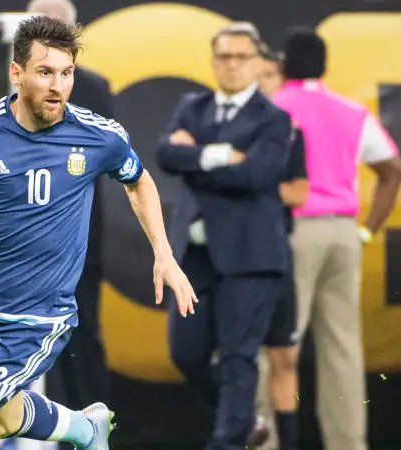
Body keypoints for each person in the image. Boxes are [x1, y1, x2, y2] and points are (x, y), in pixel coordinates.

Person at [0, 15, 196, 450]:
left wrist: (164, 253)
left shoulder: (98, 137)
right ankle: (84, 429)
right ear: (16, 72)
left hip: (39, 316)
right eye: (45, 72)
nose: (57, 86)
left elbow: (139, 182)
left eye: (66, 74)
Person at [157, 23, 291, 450]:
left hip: (251, 255)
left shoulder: (274, 117)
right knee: (186, 354)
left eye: (241, 57)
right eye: (224, 57)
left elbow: (257, 175)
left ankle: (228, 442)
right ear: (214, 61)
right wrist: (216, 157)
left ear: (257, 63)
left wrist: (193, 159)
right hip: (195, 254)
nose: (232, 65)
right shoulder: (192, 106)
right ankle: (243, 419)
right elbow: (165, 155)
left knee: (238, 357)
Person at [272, 28, 401, 450]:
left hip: (291, 232)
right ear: (324, 66)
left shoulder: (273, 109)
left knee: (272, 343)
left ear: (284, 64)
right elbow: (392, 169)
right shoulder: (351, 111)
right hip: (344, 234)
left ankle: (264, 441)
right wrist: (367, 229)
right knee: (343, 349)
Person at [26, 0, 115, 418]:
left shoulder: (94, 89)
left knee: (78, 336)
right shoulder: (3, 84)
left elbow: (99, 157)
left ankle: (91, 428)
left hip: (74, 236)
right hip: (14, 236)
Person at [256, 43, 310, 450]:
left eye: (268, 77)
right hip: (230, 260)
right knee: (240, 363)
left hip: (276, 256)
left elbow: (298, 193)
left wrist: (245, 182)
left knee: (284, 358)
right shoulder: (215, 130)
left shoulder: (292, 133)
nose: (260, 86)